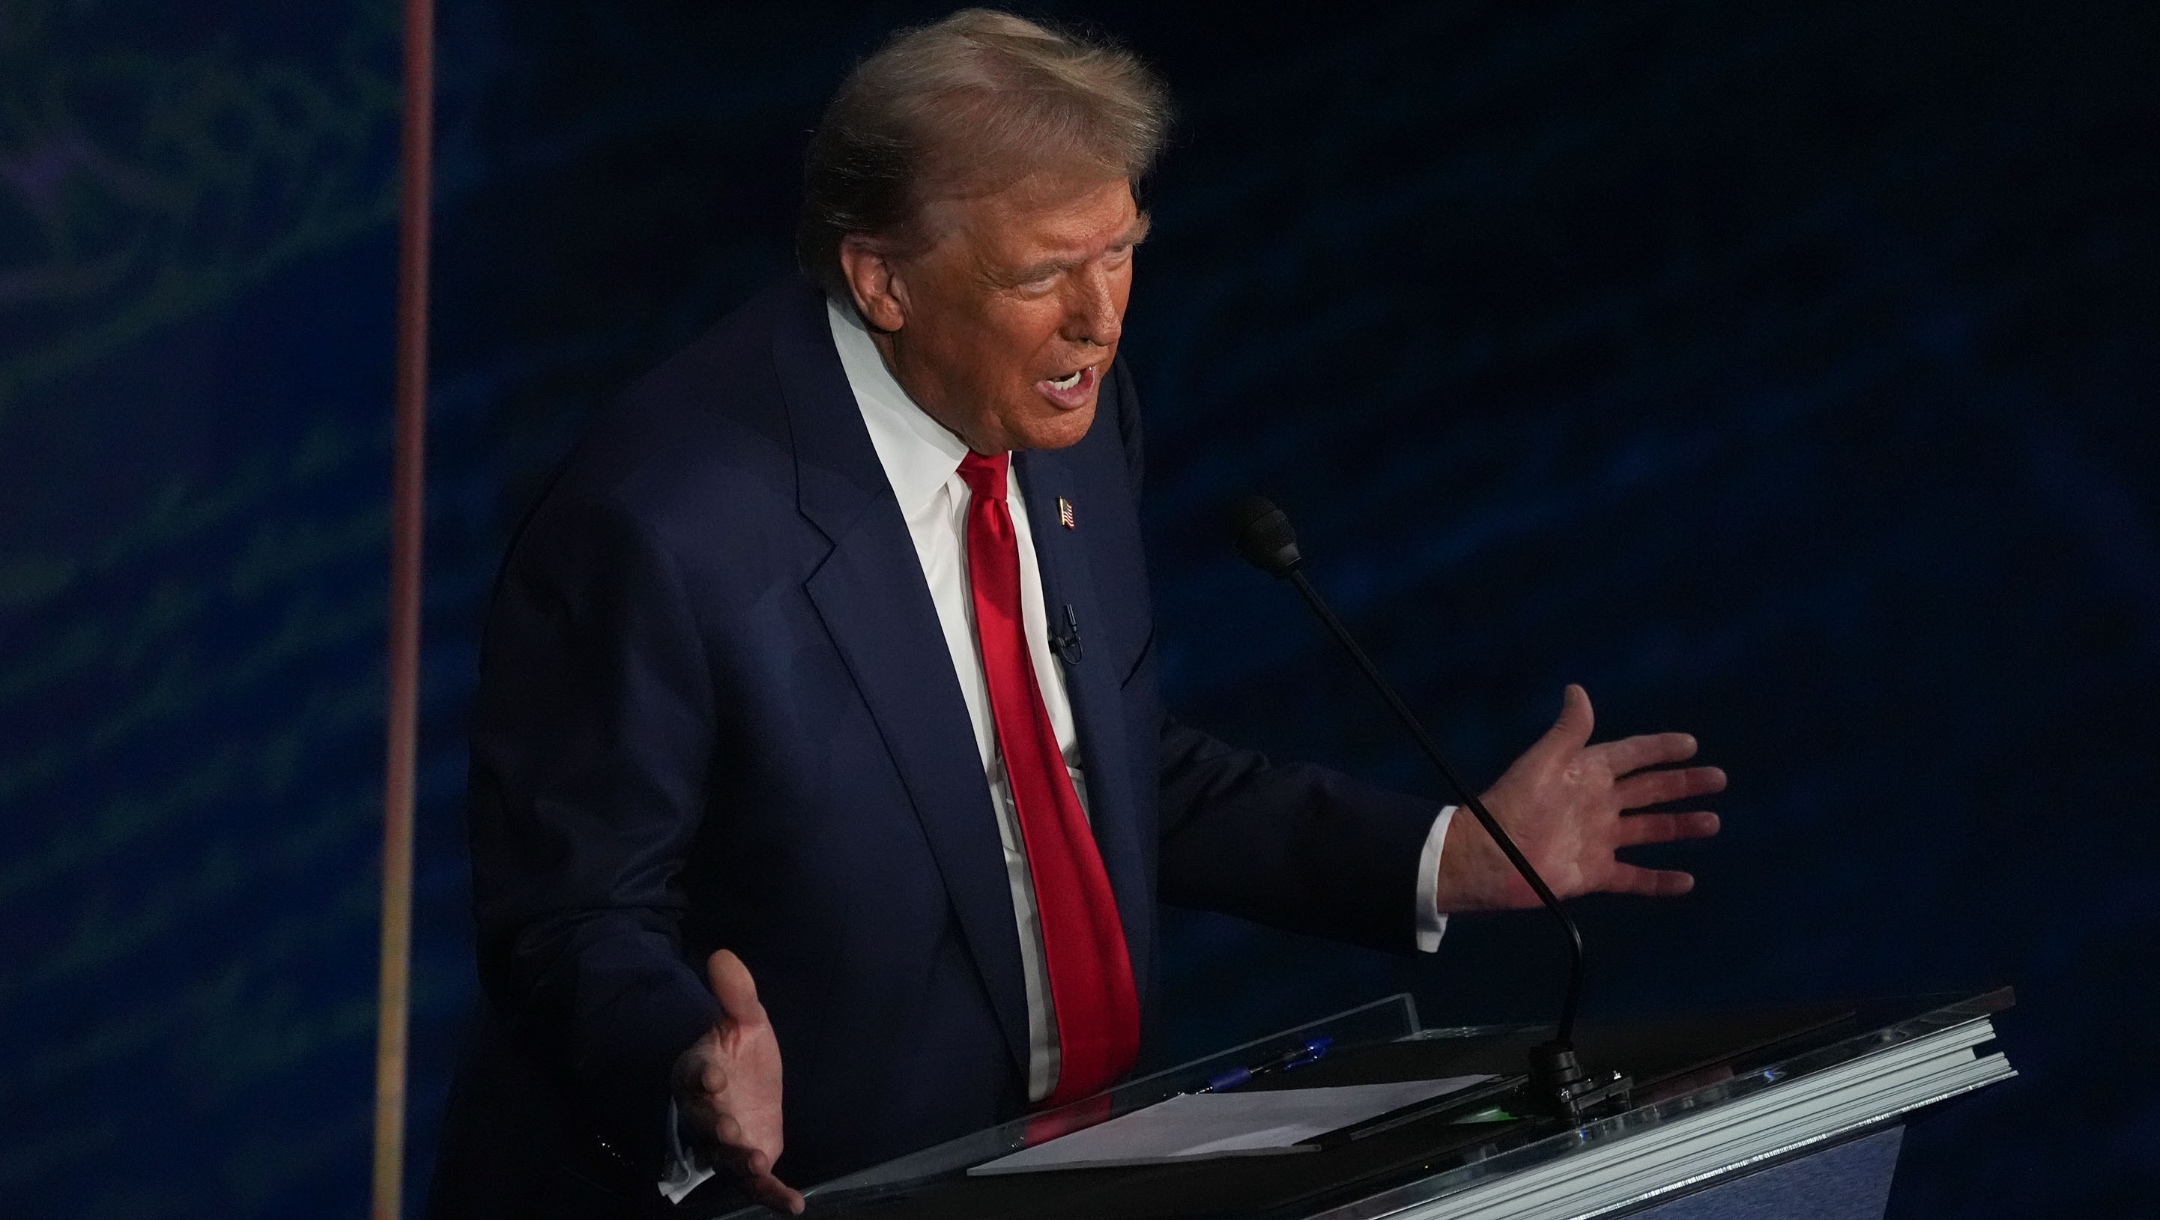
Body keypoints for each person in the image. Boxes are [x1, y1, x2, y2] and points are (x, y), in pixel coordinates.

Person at [428, 10, 1724, 1218]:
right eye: (1046, 273)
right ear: (882, 279)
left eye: (1121, 254)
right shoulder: (662, 522)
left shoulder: (1063, 426)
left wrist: (1440, 857)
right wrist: (685, 1064)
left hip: (1060, 1172)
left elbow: (1095, 764)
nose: (1099, 323)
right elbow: (570, 914)